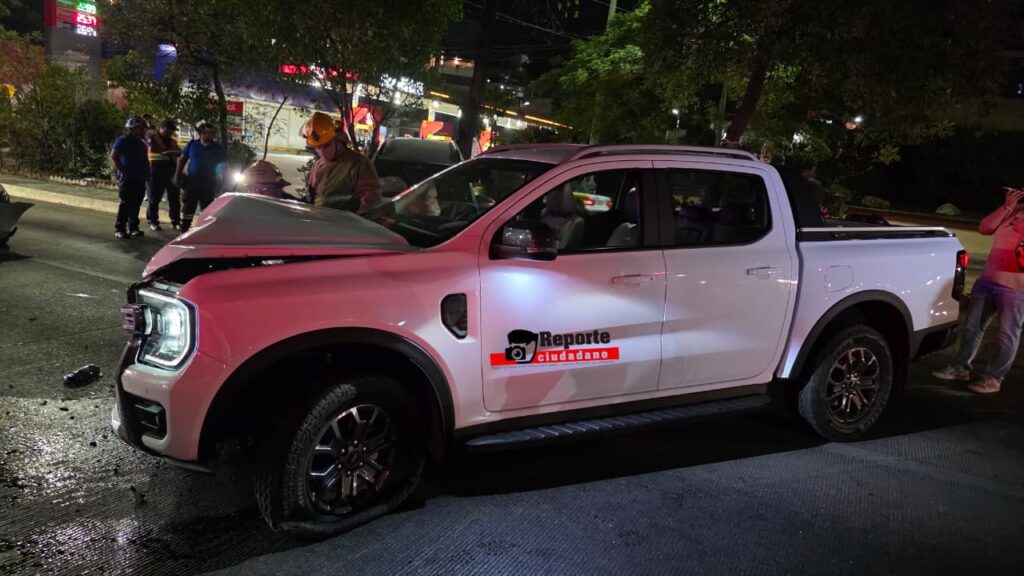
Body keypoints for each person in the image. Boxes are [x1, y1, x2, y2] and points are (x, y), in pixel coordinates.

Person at [933, 186, 1024, 393]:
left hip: (1016, 289)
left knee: (1007, 335)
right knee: (972, 326)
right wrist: (1007, 206)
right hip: (987, 281)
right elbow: (985, 228)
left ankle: (993, 378)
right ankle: (960, 367)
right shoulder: (1012, 211)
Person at [301, 111, 381, 214]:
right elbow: (311, 197)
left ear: (338, 140)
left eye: (327, 145)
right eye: (318, 147)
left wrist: (356, 220)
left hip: (343, 222)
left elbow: (371, 199)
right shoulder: (317, 165)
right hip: (319, 220)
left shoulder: (358, 163)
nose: (322, 152)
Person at [175, 121, 227, 232]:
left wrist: (222, 181)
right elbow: (182, 159)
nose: (208, 135)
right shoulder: (192, 145)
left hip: (209, 182)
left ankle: (203, 231)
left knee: (207, 208)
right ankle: (184, 230)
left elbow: (223, 166)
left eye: (211, 133)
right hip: (192, 182)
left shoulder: (218, 148)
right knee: (189, 206)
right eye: (205, 133)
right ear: (200, 133)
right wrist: (177, 174)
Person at [109, 117, 151, 239]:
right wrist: (123, 170)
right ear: (131, 128)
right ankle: (120, 228)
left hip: (140, 176)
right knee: (125, 203)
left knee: (136, 203)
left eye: (142, 128)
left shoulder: (142, 142)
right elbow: (114, 156)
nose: (141, 130)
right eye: (139, 127)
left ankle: (133, 227)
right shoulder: (123, 140)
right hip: (127, 177)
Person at [146, 119, 183, 230]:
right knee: (154, 198)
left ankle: (175, 221)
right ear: (162, 128)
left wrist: (168, 152)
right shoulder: (152, 139)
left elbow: (179, 152)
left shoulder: (172, 141)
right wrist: (170, 152)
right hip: (155, 173)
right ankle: (153, 221)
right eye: (169, 129)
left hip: (171, 172)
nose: (171, 132)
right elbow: (153, 153)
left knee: (174, 198)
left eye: (172, 130)